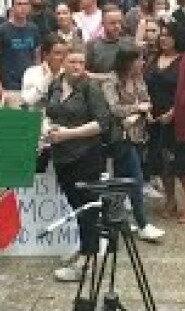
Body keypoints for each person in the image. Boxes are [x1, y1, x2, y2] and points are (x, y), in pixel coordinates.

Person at [43, 46, 113, 282]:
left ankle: (88, 259)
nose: (77, 67)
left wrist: (68, 134)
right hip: (62, 155)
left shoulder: (90, 87)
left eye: (81, 62)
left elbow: (102, 123)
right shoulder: (55, 83)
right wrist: (49, 128)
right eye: (72, 61)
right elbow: (50, 111)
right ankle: (85, 246)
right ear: (62, 62)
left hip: (86, 156)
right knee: (76, 206)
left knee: (88, 209)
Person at [145, 21, 185, 225]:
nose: (163, 38)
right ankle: (170, 201)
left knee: (184, 163)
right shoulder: (154, 58)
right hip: (155, 119)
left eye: (168, 35)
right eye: (161, 35)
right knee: (163, 163)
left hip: (179, 120)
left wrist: (174, 113)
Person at [101, 45, 166, 242]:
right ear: (128, 61)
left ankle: (117, 218)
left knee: (121, 178)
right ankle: (143, 223)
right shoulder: (110, 81)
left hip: (138, 134)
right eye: (139, 59)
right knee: (136, 178)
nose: (143, 63)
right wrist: (138, 108)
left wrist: (138, 110)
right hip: (120, 136)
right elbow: (113, 108)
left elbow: (148, 101)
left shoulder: (138, 78)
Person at [0, 0, 41, 95]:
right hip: (9, 86)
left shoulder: (34, 29)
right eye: (19, 4)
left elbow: (37, 57)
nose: (23, 7)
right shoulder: (1, 31)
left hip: (30, 86)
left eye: (26, 4)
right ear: (12, 7)